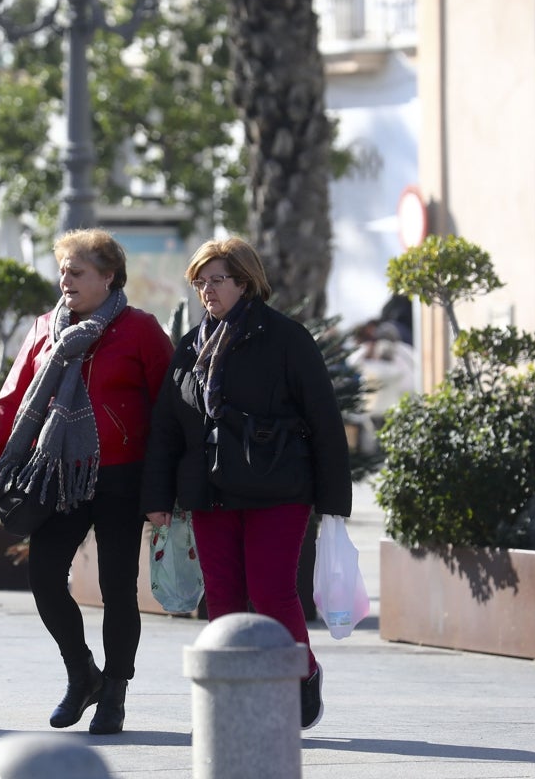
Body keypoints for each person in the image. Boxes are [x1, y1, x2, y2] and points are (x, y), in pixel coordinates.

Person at [140, 237, 352, 731]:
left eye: (218, 279)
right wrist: (157, 500)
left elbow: (324, 419)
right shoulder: (190, 347)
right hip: (211, 493)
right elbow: (168, 429)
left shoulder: (286, 338)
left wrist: (333, 501)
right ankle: (233, 695)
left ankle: (300, 675)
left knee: (272, 590)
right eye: (200, 281)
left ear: (246, 281)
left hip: (278, 490)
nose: (207, 290)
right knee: (224, 595)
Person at [0, 228, 173, 736]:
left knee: (117, 589)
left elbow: (170, 411)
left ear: (108, 276)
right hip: (57, 475)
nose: (66, 279)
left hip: (123, 478)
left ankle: (116, 693)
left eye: (77, 271)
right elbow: (12, 401)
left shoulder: (140, 330)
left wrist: (164, 486)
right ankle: (83, 673)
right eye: (62, 270)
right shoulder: (44, 328)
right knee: (43, 576)